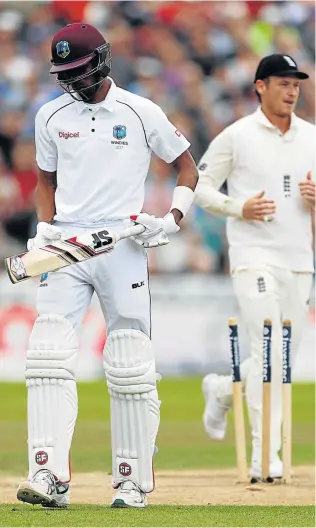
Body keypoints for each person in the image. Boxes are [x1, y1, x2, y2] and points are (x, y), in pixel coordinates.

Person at [17, 23, 198, 508]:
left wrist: (172, 219)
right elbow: (45, 181)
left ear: (100, 61)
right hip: (67, 246)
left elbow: (187, 166)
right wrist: (44, 229)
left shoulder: (140, 112)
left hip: (123, 242)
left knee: (130, 362)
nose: (70, 82)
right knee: (48, 354)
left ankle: (131, 481)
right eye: (63, 74)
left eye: (77, 71)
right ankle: (47, 477)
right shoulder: (51, 115)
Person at [195, 54, 315, 480]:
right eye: (283, 83)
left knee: (282, 362)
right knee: (270, 352)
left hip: (299, 262)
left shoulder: (312, 138)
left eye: (296, 84)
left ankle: (223, 389)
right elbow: (200, 187)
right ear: (260, 87)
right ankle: (269, 455)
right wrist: (238, 207)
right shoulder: (237, 136)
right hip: (252, 257)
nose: (292, 90)